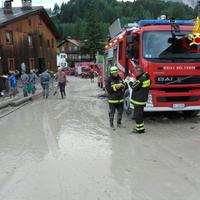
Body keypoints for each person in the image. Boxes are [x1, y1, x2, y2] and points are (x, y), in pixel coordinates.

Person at [128, 66, 151, 134]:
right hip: (142, 100)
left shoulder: (140, 80)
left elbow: (133, 87)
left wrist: (129, 81)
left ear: (139, 71)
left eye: (136, 72)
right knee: (140, 115)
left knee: (137, 116)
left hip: (138, 101)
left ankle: (139, 130)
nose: (135, 73)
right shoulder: (147, 78)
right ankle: (141, 128)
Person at [105, 66, 125, 130]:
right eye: (114, 73)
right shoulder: (108, 80)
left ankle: (119, 124)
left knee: (120, 112)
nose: (116, 74)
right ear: (111, 73)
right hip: (112, 100)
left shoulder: (119, 78)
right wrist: (116, 87)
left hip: (120, 99)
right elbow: (108, 89)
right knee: (112, 113)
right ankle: (111, 125)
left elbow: (123, 85)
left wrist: (122, 85)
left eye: (116, 72)